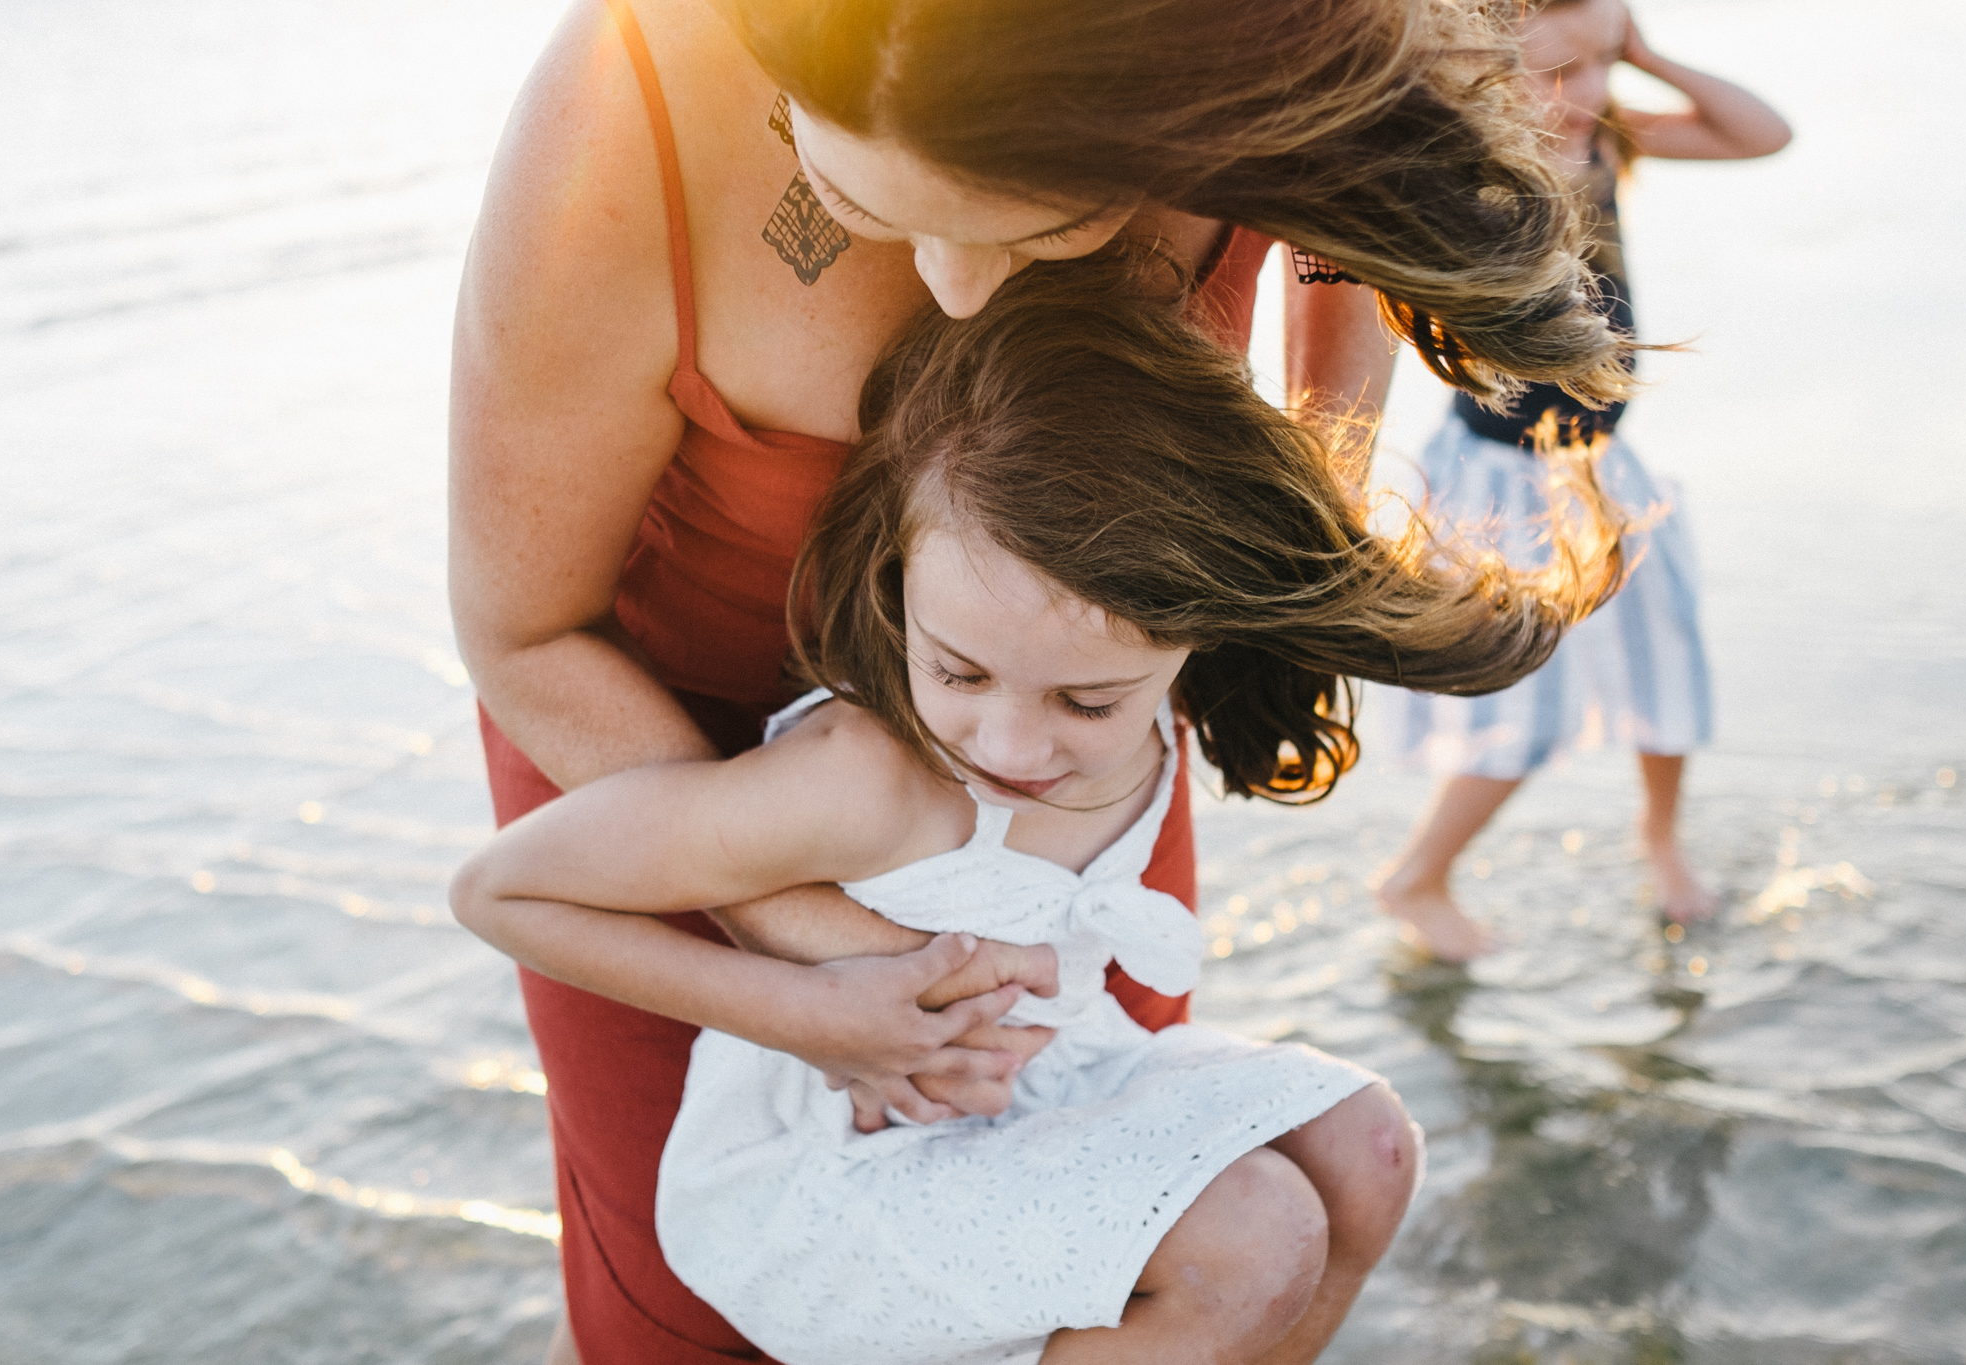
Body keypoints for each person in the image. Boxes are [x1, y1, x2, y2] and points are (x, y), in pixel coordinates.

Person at [447, 0, 1635, 1358]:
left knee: (1182, 1258)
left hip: (1074, 798)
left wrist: (1278, 546)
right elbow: (523, 635)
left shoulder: (1248, 59)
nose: (955, 289)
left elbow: (1335, 238)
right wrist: (841, 960)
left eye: (1046, 226)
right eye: (853, 198)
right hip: (654, 778)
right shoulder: (629, 95)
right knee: (685, 1333)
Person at [1371, 0, 1793, 961]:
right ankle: (1417, 877)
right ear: (1483, 70)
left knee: (1665, 658)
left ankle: (1661, 838)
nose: (1587, 90)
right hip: (1499, 475)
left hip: (1601, 463)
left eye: (1604, 62)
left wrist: (1647, 53)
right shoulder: (1473, 171)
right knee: (1524, 703)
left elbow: (1762, 134)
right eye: (1557, 71)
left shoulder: (1602, 140)